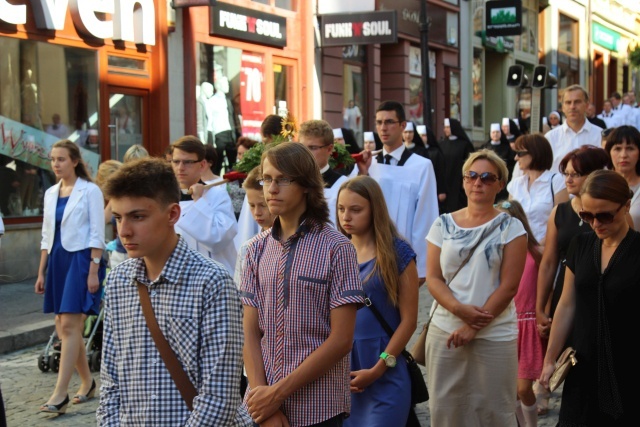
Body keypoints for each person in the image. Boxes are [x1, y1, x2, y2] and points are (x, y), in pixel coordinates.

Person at [97, 158, 251, 425]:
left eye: (137, 217)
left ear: (172, 215)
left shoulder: (212, 282)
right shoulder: (119, 281)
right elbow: (111, 381)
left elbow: (219, 397)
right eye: (119, 217)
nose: (124, 231)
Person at [240, 142, 364, 426]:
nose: (271, 188)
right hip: (265, 407)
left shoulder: (337, 248)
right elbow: (249, 331)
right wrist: (264, 400)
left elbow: (341, 340)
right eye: (267, 179)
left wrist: (278, 393)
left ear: (307, 185)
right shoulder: (256, 249)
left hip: (318, 406)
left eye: (283, 179)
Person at [425, 149, 527, 426]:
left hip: (495, 332)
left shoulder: (512, 227)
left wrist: (473, 325)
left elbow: (509, 286)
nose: (477, 182)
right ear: (463, 181)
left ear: (499, 184)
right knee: (446, 409)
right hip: (445, 330)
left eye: (486, 177)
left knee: (495, 410)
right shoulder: (442, 223)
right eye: (471, 176)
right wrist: (460, 310)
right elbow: (433, 278)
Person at [539, 169, 637, 425]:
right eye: (586, 215)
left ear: (626, 205)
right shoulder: (581, 245)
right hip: (583, 363)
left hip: (629, 366)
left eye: (604, 215)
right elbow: (567, 305)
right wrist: (550, 360)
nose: (596, 223)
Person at [534, 146, 611, 416]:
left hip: (599, 293)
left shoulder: (610, 212)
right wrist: (540, 306)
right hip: (566, 290)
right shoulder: (560, 212)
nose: (569, 179)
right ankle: (546, 389)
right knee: (563, 352)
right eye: (566, 173)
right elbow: (549, 262)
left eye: (577, 174)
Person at [336, 176, 419, 426]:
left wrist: (379, 368)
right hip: (344, 370)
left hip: (385, 366)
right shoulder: (336, 251)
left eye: (356, 209)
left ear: (375, 210)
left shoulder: (397, 253)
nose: (346, 216)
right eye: (341, 209)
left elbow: (409, 321)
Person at [35, 140, 106, 414]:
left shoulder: (90, 191)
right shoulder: (51, 193)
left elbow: (98, 233)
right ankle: (87, 382)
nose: (56, 164)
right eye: (53, 159)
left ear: (75, 161)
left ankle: (60, 393)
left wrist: (93, 270)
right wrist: (41, 271)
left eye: (61, 159)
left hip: (81, 260)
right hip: (57, 260)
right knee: (63, 324)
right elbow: (46, 235)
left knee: (69, 325)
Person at [352, 100, 439, 280]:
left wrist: (421, 269)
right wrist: (362, 173)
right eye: (379, 122)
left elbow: (425, 218)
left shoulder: (421, 166)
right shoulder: (368, 164)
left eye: (389, 122)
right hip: (368, 254)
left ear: (402, 126)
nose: (383, 128)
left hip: (402, 257)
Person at [495, 199, 544, 427]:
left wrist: (544, 311)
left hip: (529, 322)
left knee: (524, 387)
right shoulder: (496, 253)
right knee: (510, 389)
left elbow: (549, 285)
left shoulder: (536, 252)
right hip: (507, 323)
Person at [170, 136, 238, 275]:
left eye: (187, 162)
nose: (180, 168)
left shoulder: (217, 195)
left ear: (202, 165)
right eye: (176, 162)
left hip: (215, 277)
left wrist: (199, 202)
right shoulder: (165, 199)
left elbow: (218, 239)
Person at [507, 134, 569, 244]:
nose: (516, 158)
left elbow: (562, 223)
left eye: (520, 153)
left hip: (547, 250)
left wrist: (538, 248)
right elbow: (509, 219)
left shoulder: (556, 182)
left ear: (535, 153)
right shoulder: (515, 184)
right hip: (518, 249)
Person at [298, 119, 348, 226]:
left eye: (312, 148)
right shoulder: (293, 182)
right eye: (303, 148)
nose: (306, 154)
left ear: (329, 149)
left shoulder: (342, 185)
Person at [545, 85, 603, 174]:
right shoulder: (550, 138)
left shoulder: (600, 135)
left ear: (587, 105)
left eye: (577, 102)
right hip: (559, 188)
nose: (572, 106)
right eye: (568, 102)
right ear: (563, 107)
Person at [233, 166, 276, 286]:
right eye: (251, 205)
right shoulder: (247, 248)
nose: (257, 212)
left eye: (263, 205)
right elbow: (240, 294)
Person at [604, 125, 640, 227]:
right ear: (609, 152)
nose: (623, 155)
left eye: (630, 148)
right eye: (618, 149)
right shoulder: (600, 185)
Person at [95, 159, 128, 269]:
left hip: (125, 253)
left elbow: (101, 222)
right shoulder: (117, 197)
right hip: (124, 250)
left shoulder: (120, 198)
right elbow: (103, 220)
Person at [439, 117, 475, 214]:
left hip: (458, 184)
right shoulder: (442, 144)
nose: (445, 129)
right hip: (445, 183)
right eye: (445, 127)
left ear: (453, 128)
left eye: (447, 127)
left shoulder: (464, 145)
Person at [482, 123, 515, 203]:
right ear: (490, 134)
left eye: (497, 132)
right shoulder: (485, 147)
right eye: (493, 132)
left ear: (501, 133)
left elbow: (511, 164)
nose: (495, 134)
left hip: (502, 179)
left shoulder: (507, 148)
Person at [416, 124, 447, 205]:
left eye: (424, 135)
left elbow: (440, 172)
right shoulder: (414, 151)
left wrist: (441, 191)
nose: (421, 137)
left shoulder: (435, 152)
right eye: (419, 135)